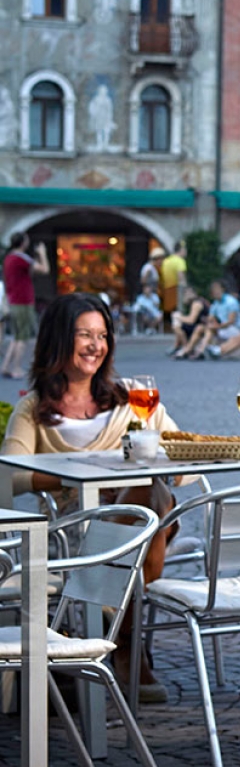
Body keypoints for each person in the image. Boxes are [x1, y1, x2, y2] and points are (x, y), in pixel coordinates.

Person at [2, 293, 178, 699]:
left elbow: (180, 453)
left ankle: (117, 627)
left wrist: (150, 434)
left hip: (142, 519)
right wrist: (70, 476)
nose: (96, 345)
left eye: (103, 335)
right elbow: (8, 475)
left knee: (149, 490)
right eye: (85, 334)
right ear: (59, 340)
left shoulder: (131, 397)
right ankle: (128, 644)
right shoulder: (33, 409)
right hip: (76, 528)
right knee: (145, 503)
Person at [2, 232, 50, 379]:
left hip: (13, 300)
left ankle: (5, 366)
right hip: (23, 301)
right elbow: (45, 269)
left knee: (17, 336)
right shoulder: (20, 258)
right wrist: (42, 253)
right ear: (23, 242)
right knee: (23, 336)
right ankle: (16, 368)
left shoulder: (9, 258)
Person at [181, 278, 239, 360]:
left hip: (234, 329)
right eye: (213, 289)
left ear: (222, 289)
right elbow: (210, 318)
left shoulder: (231, 301)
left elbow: (231, 321)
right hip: (222, 328)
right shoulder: (215, 304)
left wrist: (216, 326)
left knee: (210, 329)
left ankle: (200, 351)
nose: (215, 291)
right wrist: (207, 321)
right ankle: (189, 349)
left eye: (217, 288)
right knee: (200, 328)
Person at [169, 280, 208, 359]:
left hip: (202, 326)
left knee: (177, 323)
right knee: (177, 326)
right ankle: (184, 347)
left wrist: (178, 317)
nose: (186, 295)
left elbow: (191, 320)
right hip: (197, 325)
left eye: (188, 293)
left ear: (194, 293)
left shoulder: (197, 303)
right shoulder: (192, 303)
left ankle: (186, 348)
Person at [159, 241, 186, 320]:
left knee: (169, 311)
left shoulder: (166, 261)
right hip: (176, 290)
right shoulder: (180, 261)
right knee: (179, 311)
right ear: (181, 250)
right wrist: (185, 290)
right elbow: (181, 277)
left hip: (166, 290)